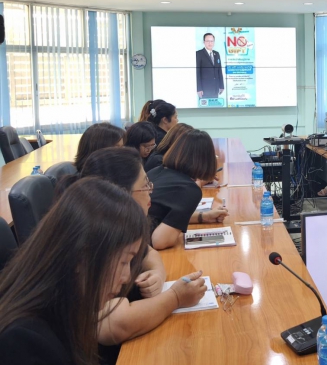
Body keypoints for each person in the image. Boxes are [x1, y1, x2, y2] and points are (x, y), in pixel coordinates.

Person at [55, 148, 206, 365]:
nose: (151, 190)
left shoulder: (117, 227)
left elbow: (149, 252)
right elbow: (113, 324)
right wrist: (175, 297)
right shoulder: (95, 239)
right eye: (145, 185)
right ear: (119, 194)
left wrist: (157, 272)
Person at [0, 177, 150, 364]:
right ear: (81, 256)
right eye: (124, 261)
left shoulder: (71, 304)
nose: (127, 277)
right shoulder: (24, 343)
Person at [148, 130, 228, 250]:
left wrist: (204, 217)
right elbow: (160, 241)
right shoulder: (189, 189)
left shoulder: (156, 171)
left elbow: (167, 217)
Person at [196, 33, 224, 99]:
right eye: (208, 41)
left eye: (211, 41)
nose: (210, 43)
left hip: (215, 88)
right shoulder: (199, 54)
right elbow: (197, 72)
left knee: (215, 104)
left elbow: (219, 70)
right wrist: (199, 88)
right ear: (204, 42)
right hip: (204, 89)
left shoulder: (217, 54)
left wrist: (221, 85)